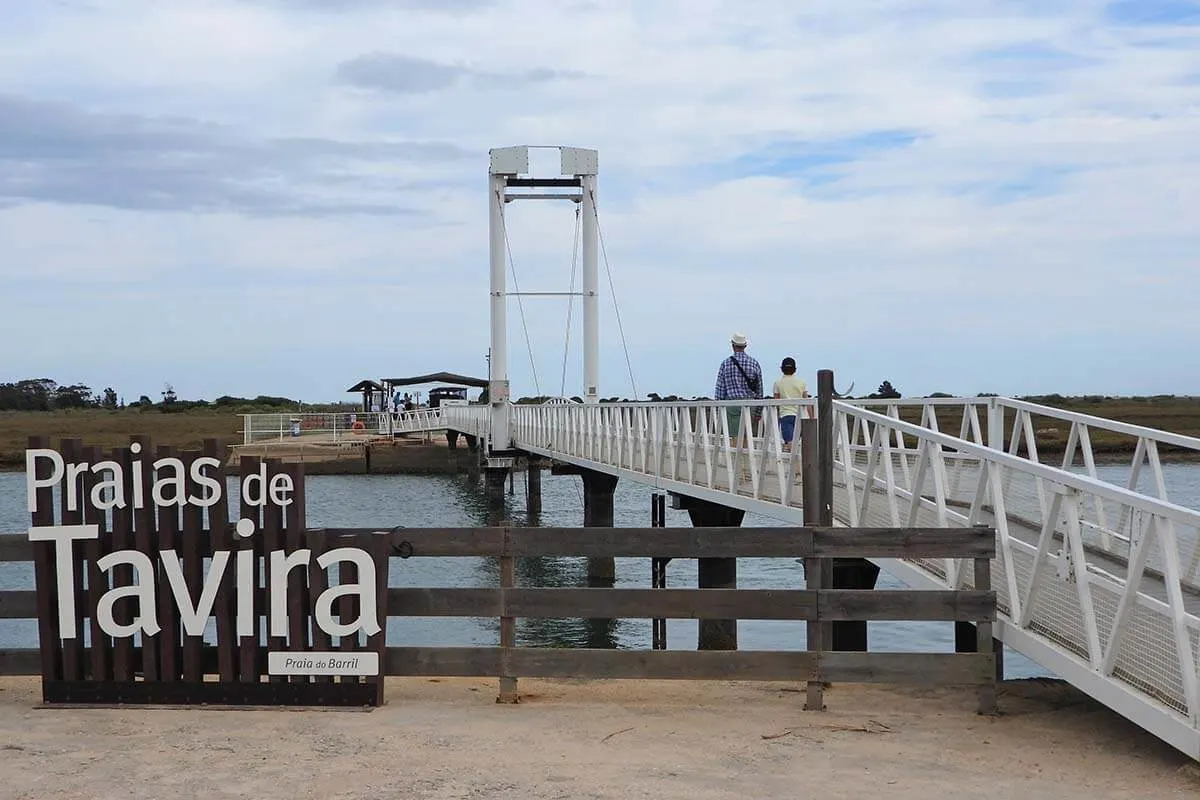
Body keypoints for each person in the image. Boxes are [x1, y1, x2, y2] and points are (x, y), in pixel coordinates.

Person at [713, 332, 763, 439]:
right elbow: (759, 390)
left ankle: (735, 455)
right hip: (750, 404)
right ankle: (746, 455)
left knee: (734, 436)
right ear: (745, 346)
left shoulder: (726, 363)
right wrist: (759, 411)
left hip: (732, 404)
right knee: (747, 436)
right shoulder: (754, 363)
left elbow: (720, 390)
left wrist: (718, 410)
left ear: (732, 345)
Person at [772, 356, 809, 450]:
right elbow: (807, 401)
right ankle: (801, 463)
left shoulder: (778, 383)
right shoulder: (802, 383)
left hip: (785, 415)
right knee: (802, 443)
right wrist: (811, 417)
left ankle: (793, 463)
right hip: (801, 416)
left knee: (790, 443)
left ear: (781, 369)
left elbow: (775, 402)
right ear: (795, 369)